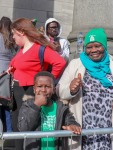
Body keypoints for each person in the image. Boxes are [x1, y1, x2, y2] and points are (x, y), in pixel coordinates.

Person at [56, 28, 113, 150]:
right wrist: (71, 89)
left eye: (97, 46)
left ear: (105, 46)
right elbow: (59, 91)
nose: (93, 50)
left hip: (108, 132)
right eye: (89, 47)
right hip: (82, 131)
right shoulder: (75, 64)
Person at [7, 18, 66, 150]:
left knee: (29, 132)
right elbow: (17, 65)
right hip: (18, 94)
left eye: (13, 33)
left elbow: (60, 63)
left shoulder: (39, 49)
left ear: (21, 32)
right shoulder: (21, 49)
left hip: (29, 94)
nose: (12, 37)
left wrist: (47, 83)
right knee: (18, 130)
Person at [18, 71, 81, 150]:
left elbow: (70, 120)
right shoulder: (27, 105)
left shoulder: (61, 107)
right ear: (34, 89)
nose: (43, 90)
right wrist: (36, 105)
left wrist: (73, 126)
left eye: (47, 86)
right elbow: (23, 128)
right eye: (40, 86)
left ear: (54, 90)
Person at [0, 16, 17, 132]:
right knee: (6, 105)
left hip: (0, 74)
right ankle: (9, 135)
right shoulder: (13, 39)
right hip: (9, 75)